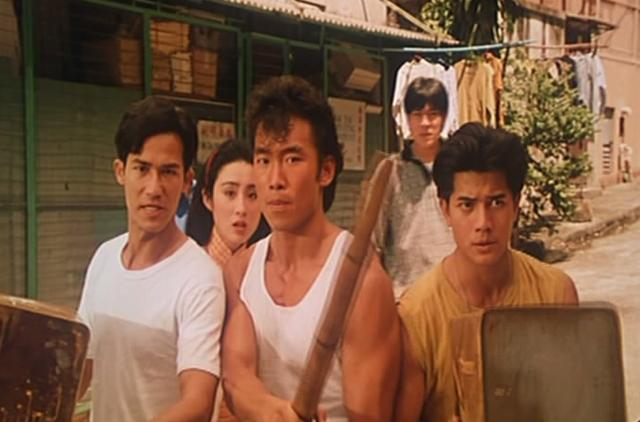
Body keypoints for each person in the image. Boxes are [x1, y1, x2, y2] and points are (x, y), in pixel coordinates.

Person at [222, 75, 401, 421]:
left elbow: (369, 416)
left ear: (326, 170)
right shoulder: (239, 271)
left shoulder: (363, 284)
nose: (275, 180)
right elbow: (236, 379)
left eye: (292, 159)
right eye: (264, 160)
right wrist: (274, 412)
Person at [395, 122, 579, 421]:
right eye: (467, 205)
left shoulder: (556, 294)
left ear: (515, 206)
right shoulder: (416, 315)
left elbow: (572, 403)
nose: (483, 223)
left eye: (496, 203)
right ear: (446, 210)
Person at [77, 96, 225, 421]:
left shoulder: (200, 278)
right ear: (121, 171)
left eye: (168, 171)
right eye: (142, 169)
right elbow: (81, 368)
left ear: (187, 181)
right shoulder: (103, 259)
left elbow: (198, 403)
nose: (154, 188)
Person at [185, 139, 263, 422]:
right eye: (230, 193)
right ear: (207, 198)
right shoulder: (190, 272)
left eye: (253, 195)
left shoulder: (268, 273)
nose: (241, 207)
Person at [367, 77, 455, 297]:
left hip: (454, 291)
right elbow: (374, 240)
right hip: (404, 293)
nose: (425, 123)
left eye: (433, 114)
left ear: (444, 118)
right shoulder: (391, 170)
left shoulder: (459, 168)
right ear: (407, 118)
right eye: (417, 115)